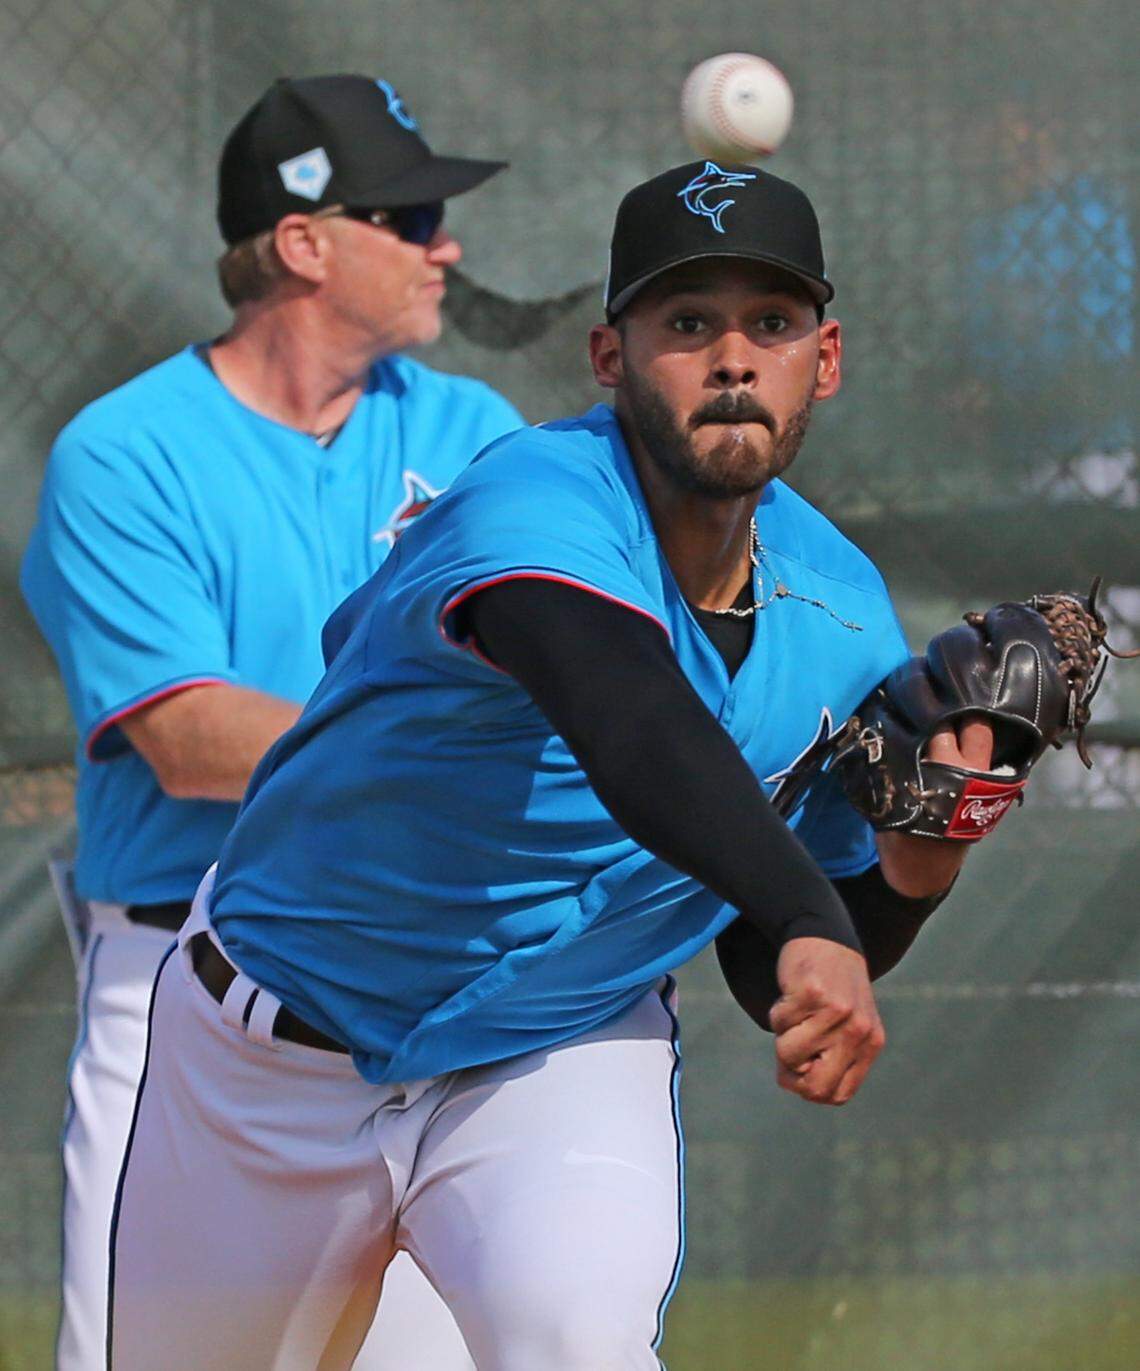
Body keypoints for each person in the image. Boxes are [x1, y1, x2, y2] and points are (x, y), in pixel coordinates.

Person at [107, 160, 993, 1370]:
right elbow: (624, 712)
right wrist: (800, 907)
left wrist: (911, 874)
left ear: (823, 361)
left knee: (578, 1342)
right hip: (270, 1056)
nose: (733, 359)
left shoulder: (840, 613)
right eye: (687, 324)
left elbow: (768, 957)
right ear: (609, 357)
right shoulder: (535, 497)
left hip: (554, 1053)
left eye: (771, 325)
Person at [21, 73, 521, 1371]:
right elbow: (189, 736)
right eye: (409, 217)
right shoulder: (125, 452)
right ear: (304, 242)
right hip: (188, 977)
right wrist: (433, 749)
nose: (445, 245)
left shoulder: (475, 434)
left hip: (410, 991)